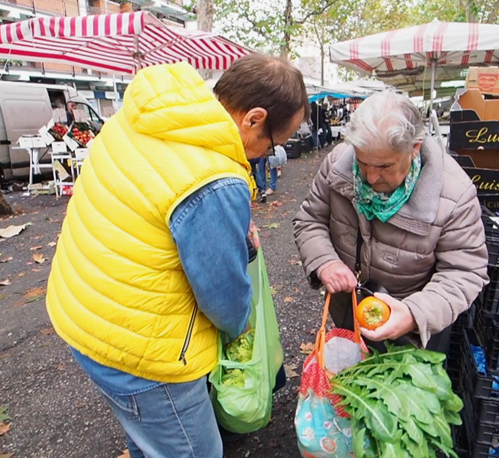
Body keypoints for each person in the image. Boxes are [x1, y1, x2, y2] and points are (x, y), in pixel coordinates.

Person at [46, 54, 309, 458]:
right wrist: (243, 328)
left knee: (149, 439)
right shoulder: (214, 179)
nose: (264, 156)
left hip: (85, 314)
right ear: (253, 118)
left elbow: (151, 209)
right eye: (272, 145)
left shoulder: (148, 113)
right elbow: (223, 298)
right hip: (144, 351)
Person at [293, 90, 489, 354]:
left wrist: (413, 314)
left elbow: (465, 271)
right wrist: (325, 261)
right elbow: (310, 220)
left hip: (415, 332)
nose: (371, 178)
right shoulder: (337, 164)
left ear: (414, 148)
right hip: (349, 312)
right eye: (362, 163)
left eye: (384, 166)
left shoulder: (454, 194)